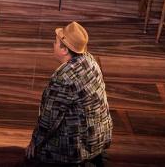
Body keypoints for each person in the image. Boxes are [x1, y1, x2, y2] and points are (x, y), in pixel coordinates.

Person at [24, 21, 112, 167]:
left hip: (77, 147)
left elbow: (49, 119)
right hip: (99, 137)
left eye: (55, 42)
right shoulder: (90, 60)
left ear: (64, 50)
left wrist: (34, 143)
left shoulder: (63, 78)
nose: (53, 44)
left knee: (32, 159)